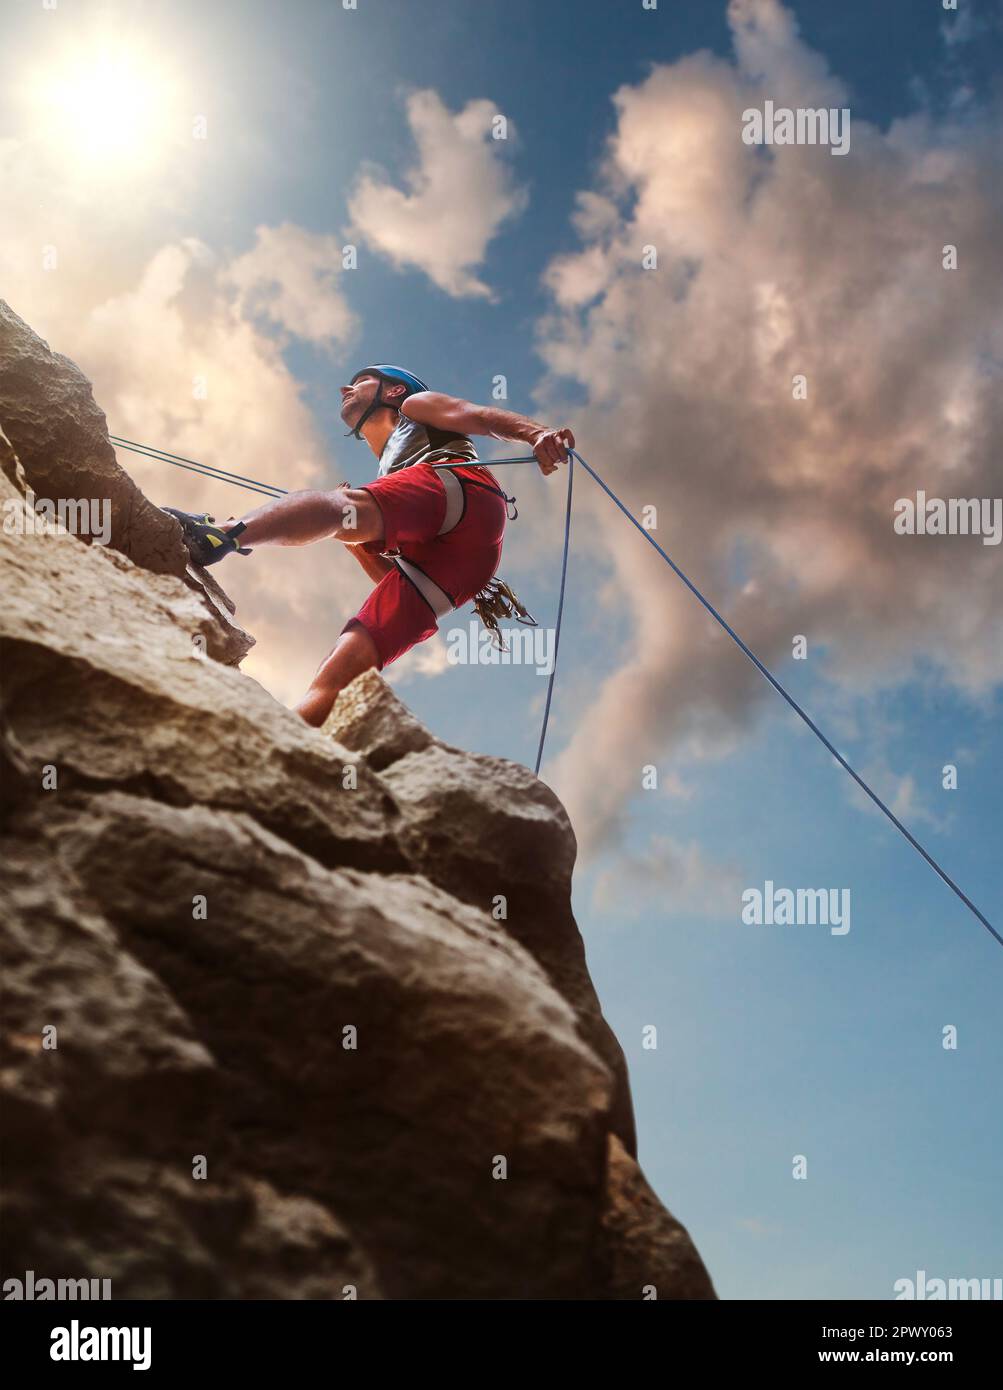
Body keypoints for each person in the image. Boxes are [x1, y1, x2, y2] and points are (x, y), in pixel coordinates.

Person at [164, 365, 574, 726]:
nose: (345, 389)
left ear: (394, 391)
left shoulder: (417, 406)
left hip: (462, 491)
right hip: (460, 562)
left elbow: (479, 417)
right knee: (342, 667)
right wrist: (352, 539)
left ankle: (224, 533)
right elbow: (389, 578)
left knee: (341, 505)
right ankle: (290, 741)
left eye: (360, 382)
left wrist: (537, 434)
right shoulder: (390, 467)